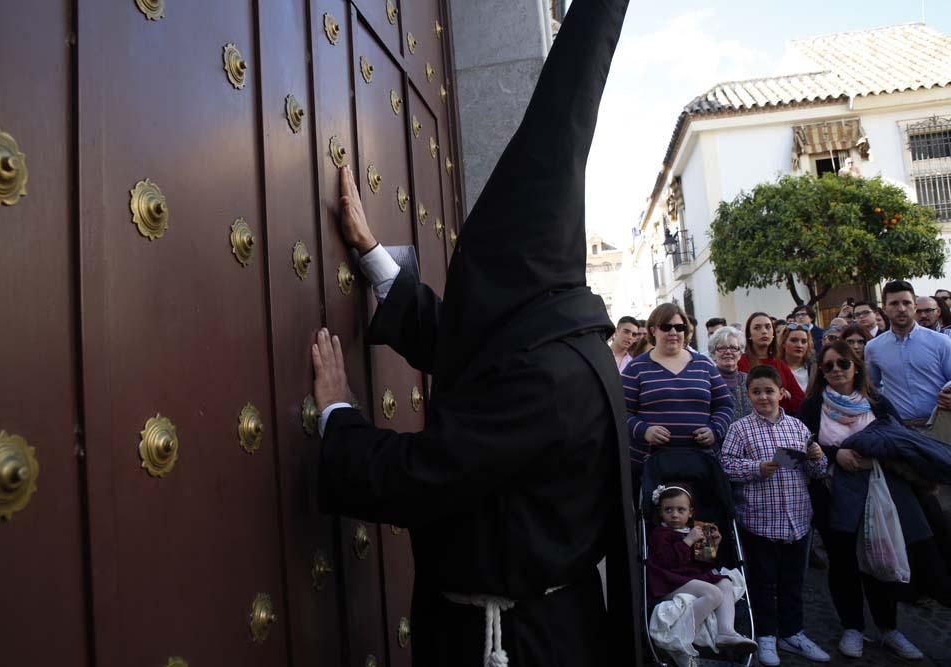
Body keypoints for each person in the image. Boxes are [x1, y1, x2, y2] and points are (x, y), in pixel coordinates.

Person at [310, 2, 640, 665]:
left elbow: (418, 476)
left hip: (515, 644)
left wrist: (338, 415)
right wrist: (376, 257)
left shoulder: (544, 379)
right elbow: (473, 346)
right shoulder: (557, 336)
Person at [799, 342, 926, 660]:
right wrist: (834, 454)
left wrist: (872, 458)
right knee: (842, 563)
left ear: (856, 366)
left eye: (842, 363)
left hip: (877, 493)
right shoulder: (813, 406)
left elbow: (901, 443)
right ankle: (852, 627)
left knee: (880, 557)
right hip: (832, 496)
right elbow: (801, 448)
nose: (836, 370)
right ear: (821, 373)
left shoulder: (878, 403)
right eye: (828, 366)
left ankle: (888, 628)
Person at [720, 366, 830, 666]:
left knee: (793, 581)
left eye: (769, 391)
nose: (763, 397)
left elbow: (815, 471)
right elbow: (726, 466)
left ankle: (793, 632)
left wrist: (818, 457)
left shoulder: (797, 427)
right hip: (760, 520)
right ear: (748, 395)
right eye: (756, 392)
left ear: (781, 393)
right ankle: (766, 635)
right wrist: (756, 468)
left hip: (796, 517)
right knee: (763, 581)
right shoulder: (739, 429)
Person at [622, 303, 735, 484]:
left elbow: (725, 405)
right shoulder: (636, 368)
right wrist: (644, 431)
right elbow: (621, 412)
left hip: (701, 463)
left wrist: (715, 430)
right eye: (666, 327)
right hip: (650, 466)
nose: (673, 332)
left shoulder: (704, 365)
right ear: (653, 330)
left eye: (680, 327)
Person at [647, 484, 757, 654]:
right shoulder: (661, 533)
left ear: (690, 512)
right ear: (661, 512)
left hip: (689, 577)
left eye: (680, 510)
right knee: (713, 593)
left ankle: (726, 632)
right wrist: (687, 542)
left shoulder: (693, 530)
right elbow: (668, 562)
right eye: (668, 510)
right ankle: (682, 633)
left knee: (725, 583)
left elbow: (703, 564)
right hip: (668, 581)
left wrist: (712, 547)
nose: (674, 514)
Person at [865, 280, 951, 430]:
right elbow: (872, 388)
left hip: (942, 424)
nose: (902, 308)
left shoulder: (941, 342)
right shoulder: (873, 348)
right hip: (901, 430)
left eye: (906, 302)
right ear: (884, 309)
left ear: (915, 306)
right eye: (894, 304)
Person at [738, 312, 804, 415]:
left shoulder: (780, 364)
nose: (764, 331)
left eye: (768, 327)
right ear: (749, 334)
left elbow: (799, 398)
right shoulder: (740, 362)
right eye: (757, 328)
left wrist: (780, 396)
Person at [708, 326, 751, 421]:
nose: (728, 352)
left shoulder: (750, 381)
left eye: (733, 348)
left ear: (740, 353)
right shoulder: (707, 382)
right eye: (722, 348)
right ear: (713, 353)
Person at [778, 323, 816, 392]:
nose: (799, 345)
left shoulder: (815, 369)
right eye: (793, 340)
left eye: (804, 341)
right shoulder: (775, 367)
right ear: (783, 343)